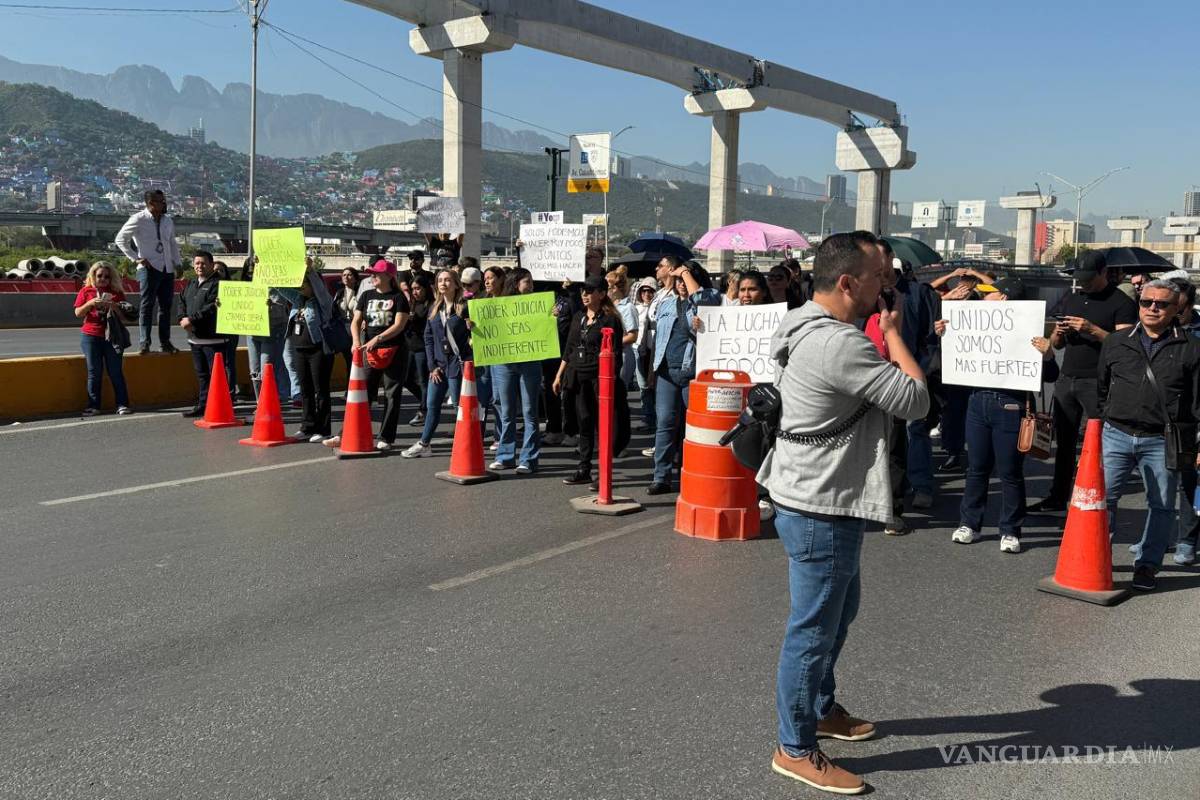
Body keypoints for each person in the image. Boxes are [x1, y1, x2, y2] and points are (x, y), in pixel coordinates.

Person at [759, 231, 928, 795]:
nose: (890, 286)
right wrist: (896, 335)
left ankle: (821, 707)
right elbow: (914, 399)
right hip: (822, 504)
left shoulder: (803, 320)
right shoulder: (841, 344)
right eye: (882, 276)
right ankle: (796, 747)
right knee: (813, 628)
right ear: (849, 282)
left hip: (810, 493)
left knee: (839, 608)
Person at [940, 276, 1059, 554]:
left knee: (1009, 471)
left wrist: (1048, 354)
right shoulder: (976, 324)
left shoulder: (1029, 329)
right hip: (977, 400)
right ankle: (969, 523)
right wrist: (946, 334)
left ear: (1004, 298)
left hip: (1010, 405)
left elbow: (1051, 375)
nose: (983, 298)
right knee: (976, 468)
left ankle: (1010, 529)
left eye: (989, 293)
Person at [1097, 279, 1200, 591]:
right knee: (1103, 501)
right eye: (1146, 302)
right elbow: (1102, 387)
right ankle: (1096, 558)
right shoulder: (1116, 342)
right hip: (1115, 433)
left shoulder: (1192, 348)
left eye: (1162, 304)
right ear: (1138, 304)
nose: (1153, 308)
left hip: (1161, 440)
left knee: (1162, 505)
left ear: (1176, 309)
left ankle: (1147, 566)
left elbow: (1198, 401)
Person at [1030, 250, 1137, 513]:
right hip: (1068, 378)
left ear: (1103, 273)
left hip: (1098, 381)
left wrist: (1092, 330)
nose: (1084, 283)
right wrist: (1058, 333)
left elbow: (1126, 344)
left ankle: (1096, 498)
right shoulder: (1074, 299)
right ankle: (1057, 497)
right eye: (1080, 278)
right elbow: (1056, 343)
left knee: (1098, 444)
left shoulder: (1121, 302)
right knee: (1063, 443)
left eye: (1089, 278)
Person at [647, 260, 720, 495]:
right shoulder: (667, 304)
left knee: (693, 428)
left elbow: (702, 299)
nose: (680, 284)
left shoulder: (706, 299)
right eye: (677, 279)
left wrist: (686, 273)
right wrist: (652, 371)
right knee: (665, 425)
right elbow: (659, 339)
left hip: (694, 372)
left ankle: (690, 473)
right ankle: (661, 477)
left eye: (684, 279)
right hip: (667, 371)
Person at [553, 274, 630, 486]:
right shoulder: (578, 317)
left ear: (602, 294)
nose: (585, 294)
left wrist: (609, 380)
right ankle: (584, 468)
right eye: (583, 291)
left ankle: (603, 472)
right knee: (584, 423)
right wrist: (559, 375)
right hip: (579, 378)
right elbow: (568, 349)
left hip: (600, 379)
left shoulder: (610, 319)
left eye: (590, 291)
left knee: (602, 426)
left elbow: (615, 353)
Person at [401, 269, 472, 458]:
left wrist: (473, 330)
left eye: (448, 280)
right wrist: (432, 366)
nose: (443, 283)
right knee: (432, 404)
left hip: (458, 364)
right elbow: (428, 338)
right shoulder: (435, 308)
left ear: (456, 284)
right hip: (439, 365)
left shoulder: (465, 308)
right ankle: (425, 443)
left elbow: (475, 337)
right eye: (440, 280)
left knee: (460, 406)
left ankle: (469, 442)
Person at [487, 267, 545, 473]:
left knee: (530, 412)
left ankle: (528, 459)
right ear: (515, 283)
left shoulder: (539, 305)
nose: (531, 285)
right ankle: (505, 456)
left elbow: (545, 331)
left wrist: (551, 316)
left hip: (530, 362)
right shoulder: (497, 305)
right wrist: (474, 326)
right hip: (504, 363)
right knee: (506, 411)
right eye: (527, 281)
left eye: (531, 281)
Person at [114, 189, 181, 354]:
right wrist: (135, 258)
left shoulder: (167, 221)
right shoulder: (138, 219)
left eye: (163, 200)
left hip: (167, 268)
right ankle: (145, 342)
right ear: (150, 203)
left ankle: (165, 342)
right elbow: (120, 239)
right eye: (160, 201)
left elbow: (172, 243)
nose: (163, 203)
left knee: (166, 307)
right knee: (147, 305)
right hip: (149, 268)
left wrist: (177, 263)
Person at [353, 259, 410, 451]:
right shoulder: (366, 295)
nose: (373, 276)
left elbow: (399, 325)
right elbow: (356, 321)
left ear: (388, 276)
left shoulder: (399, 297)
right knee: (363, 393)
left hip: (394, 350)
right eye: (372, 273)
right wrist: (356, 341)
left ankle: (386, 436)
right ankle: (354, 432)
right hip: (369, 351)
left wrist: (378, 339)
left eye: (376, 273)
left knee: (391, 394)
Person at [276, 269, 338, 443]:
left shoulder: (323, 302)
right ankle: (307, 426)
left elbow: (319, 287)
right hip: (300, 349)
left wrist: (309, 271)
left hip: (319, 350)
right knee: (305, 391)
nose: (302, 286)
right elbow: (280, 288)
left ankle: (324, 429)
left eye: (306, 283)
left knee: (321, 390)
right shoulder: (298, 300)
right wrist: (267, 269)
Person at [178, 251, 235, 417]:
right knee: (202, 375)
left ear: (211, 265)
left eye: (203, 263)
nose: (199, 266)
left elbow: (211, 307)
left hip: (214, 340)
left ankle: (222, 406)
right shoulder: (190, 284)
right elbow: (181, 302)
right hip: (195, 340)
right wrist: (182, 318)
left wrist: (192, 320)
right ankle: (203, 405)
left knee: (217, 376)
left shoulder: (218, 285)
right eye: (196, 263)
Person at [74, 261, 133, 416]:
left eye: (107, 276)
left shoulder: (116, 292)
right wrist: (91, 303)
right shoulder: (86, 291)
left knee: (115, 371)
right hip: (90, 336)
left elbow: (125, 318)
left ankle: (122, 404)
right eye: (99, 275)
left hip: (111, 336)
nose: (103, 279)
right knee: (94, 372)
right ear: (93, 275)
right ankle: (93, 406)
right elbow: (78, 313)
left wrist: (114, 306)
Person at [403, 273, 433, 427]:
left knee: (423, 380)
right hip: (409, 346)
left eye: (418, 288)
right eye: (413, 289)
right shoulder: (412, 304)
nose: (415, 292)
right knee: (406, 379)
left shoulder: (431, 305)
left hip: (423, 348)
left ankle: (423, 410)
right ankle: (428, 401)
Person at [607, 265, 639, 388]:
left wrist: (612, 344)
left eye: (608, 287)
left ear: (615, 288)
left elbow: (632, 336)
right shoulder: (608, 307)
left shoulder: (628, 308)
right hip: (610, 354)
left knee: (617, 391)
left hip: (623, 354)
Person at [331, 267, 361, 374]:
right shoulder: (339, 293)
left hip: (357, 329)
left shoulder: (360, 293)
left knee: (355, 359)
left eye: (349, 275)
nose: (346, 277)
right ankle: (349, 387)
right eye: (344, 275)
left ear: (355, 278)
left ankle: (354, 386)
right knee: (348, 359)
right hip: (343, 330)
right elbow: (334, 311)